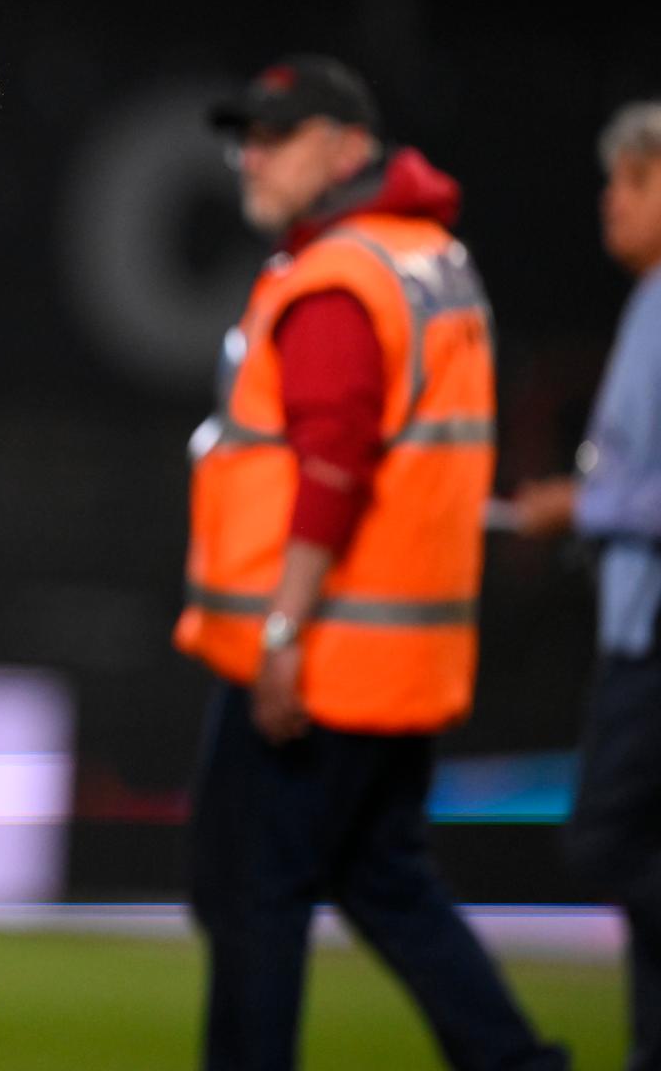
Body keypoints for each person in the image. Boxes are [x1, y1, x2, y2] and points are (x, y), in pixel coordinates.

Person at [175, 55, 568, 1070]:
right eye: (246, 134)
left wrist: (282, 630)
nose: (251, 155)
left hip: (317, 662)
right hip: (398, 655)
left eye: (278, 134)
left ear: (348, 149)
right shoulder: (425, 256)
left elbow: (333, 465)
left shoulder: (342, 277)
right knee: (383, 879)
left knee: (253, 897)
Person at [509, 101, 661, 1071]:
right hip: (634, 625)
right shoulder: (647, 300)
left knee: (604, 842)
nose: (609, 199)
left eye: (630, 179)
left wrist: (584, 506)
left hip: (652, 641)